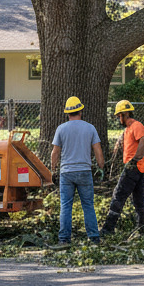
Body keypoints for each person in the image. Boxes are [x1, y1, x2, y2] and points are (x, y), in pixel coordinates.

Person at [50, 95, 105, 248]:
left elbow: (55, 152)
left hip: (66, 173)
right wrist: (101, 166)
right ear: (81, 111)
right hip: (84, 171)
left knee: (66, 206)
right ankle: (94, 238)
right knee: (88, 205)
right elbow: (98, 150)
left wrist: (53, 168)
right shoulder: (90, 128)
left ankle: (64, 239)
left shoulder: (61, 129)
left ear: (67, 113)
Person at [101, 99, 144, 236]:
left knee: (118, 195)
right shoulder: (128, 129)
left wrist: (135, 159)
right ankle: (143, 228)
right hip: (139, 168)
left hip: (134, 168)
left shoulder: (136, 126)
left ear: (125, 114)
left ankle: (108, 229)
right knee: (138, 198)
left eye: (119, 116)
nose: (118, 119)